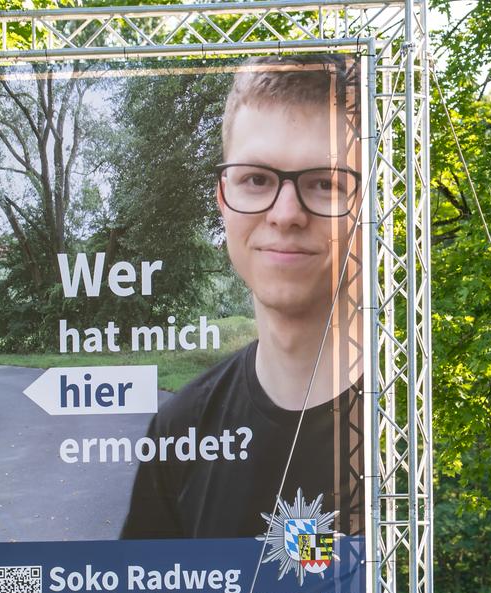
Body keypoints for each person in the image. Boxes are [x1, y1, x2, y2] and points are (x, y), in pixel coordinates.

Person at [121, 55, 364, 541]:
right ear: (221, 197)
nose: (286, 214)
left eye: (324, 183)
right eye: (257, 179)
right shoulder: (181, 429)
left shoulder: (419, 419)